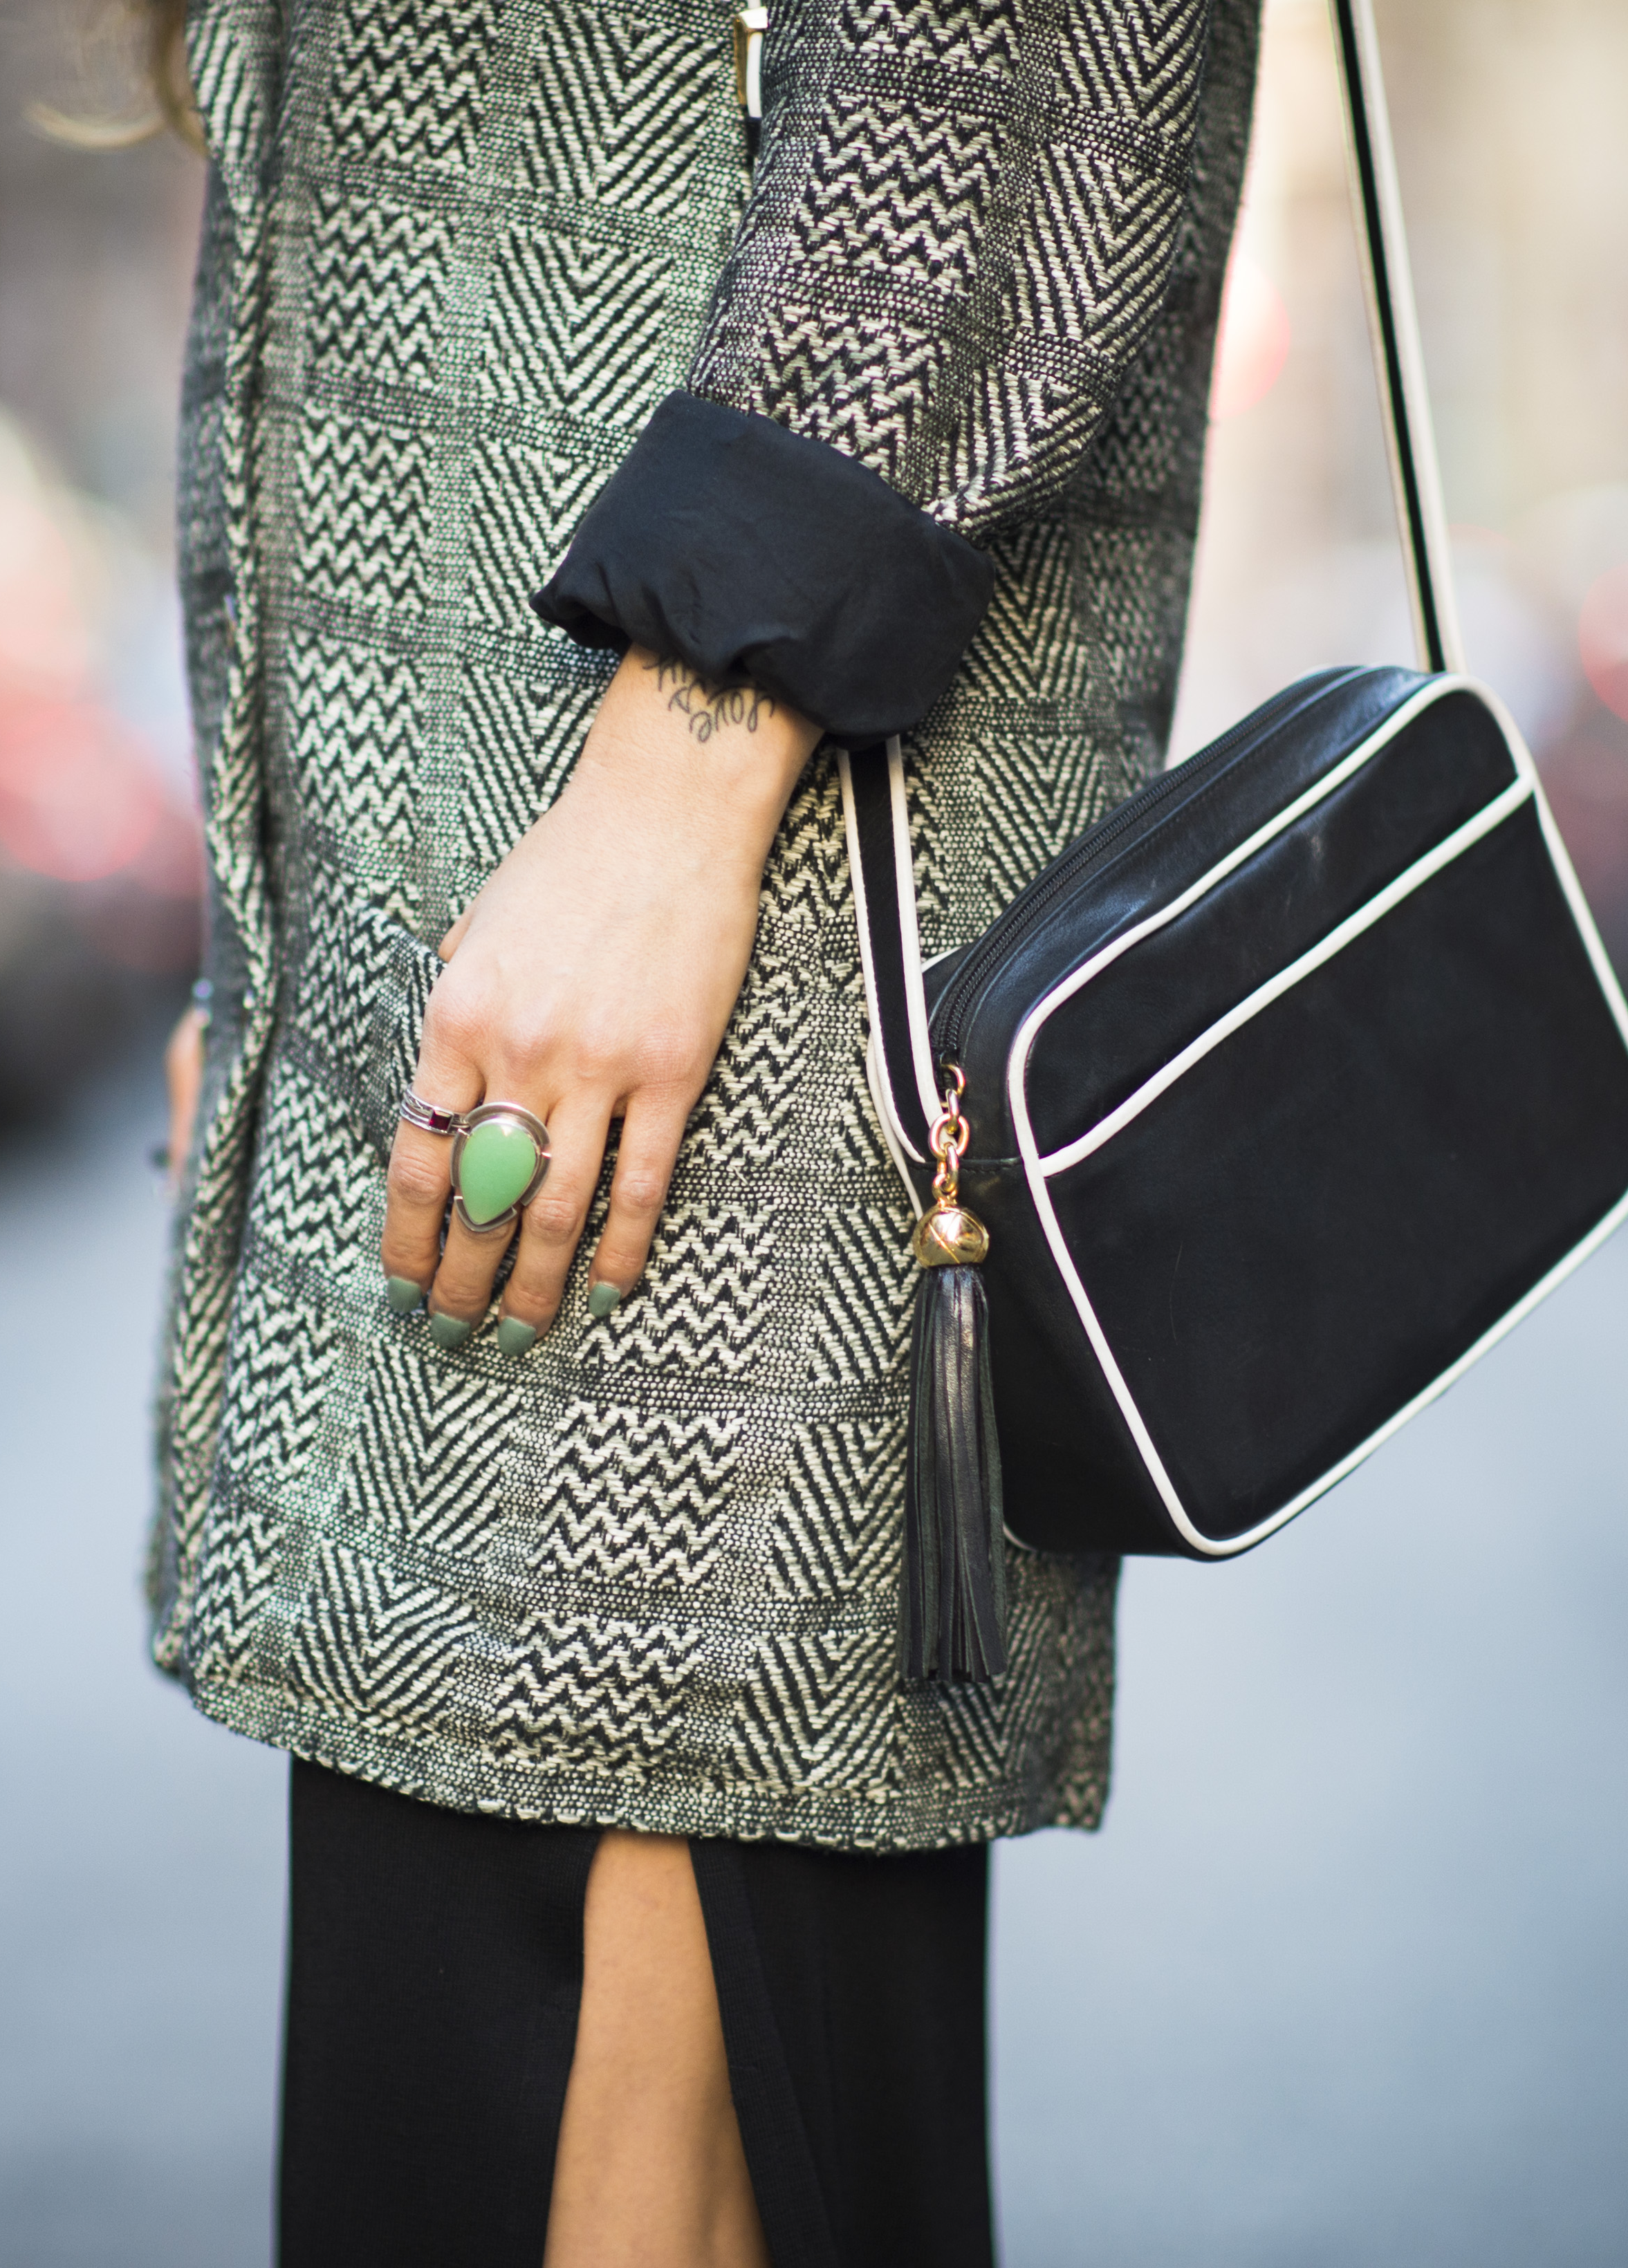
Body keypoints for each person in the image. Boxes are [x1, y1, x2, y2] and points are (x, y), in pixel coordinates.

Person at [141, 1, 1264, 2258]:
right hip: (513, 965)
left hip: (712, 958)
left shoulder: (683, 812)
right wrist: (267, 957)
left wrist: (690, 760)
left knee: (603, 2076)